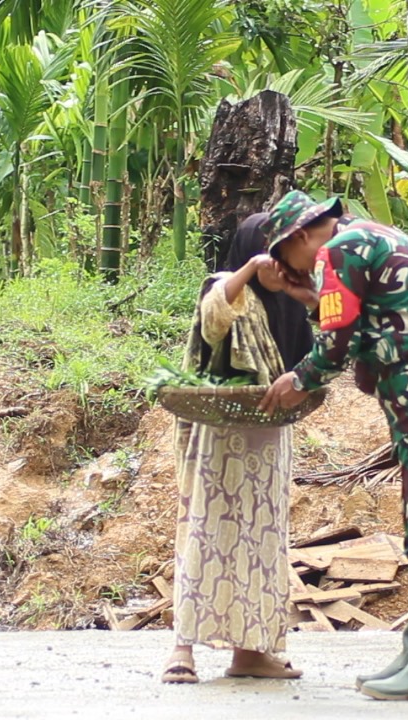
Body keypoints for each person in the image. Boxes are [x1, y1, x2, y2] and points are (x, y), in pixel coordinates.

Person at [258, 190, 408, 702]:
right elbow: (369, 323)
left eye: (286, 258)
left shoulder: (341, 248)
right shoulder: (370, 236)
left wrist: (299, 380)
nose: (293, 270)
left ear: (300, 236)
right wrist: (309, 297)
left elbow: (335, 343)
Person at [162, 212, 313, 684]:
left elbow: (322, 341)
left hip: (267, 439)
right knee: (203, 532)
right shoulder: (227, 284)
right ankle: (182, 649)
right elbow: (214, 320)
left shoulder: (292, 299)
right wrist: (248, 271)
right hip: (216, 437)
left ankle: (251, 652)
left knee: (262, 542)